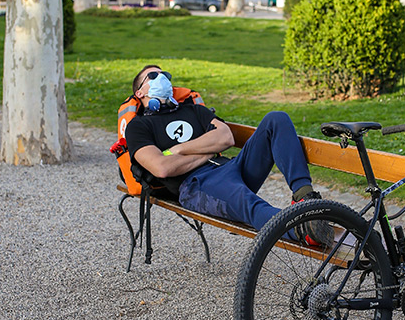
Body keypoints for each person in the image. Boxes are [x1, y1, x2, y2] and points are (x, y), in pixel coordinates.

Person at [125, 64, 333, 247]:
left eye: (166, 75)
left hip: (231, 167)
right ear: (140, 92)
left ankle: (305, 198)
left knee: (276, 119)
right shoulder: (139, 126)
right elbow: (162, 167)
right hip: (197, 184)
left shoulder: (192, 110)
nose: (162, 79)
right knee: (251, 204)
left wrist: (179, 150)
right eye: (153, 77)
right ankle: (303, 230)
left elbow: (226, 137)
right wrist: (208, 150)